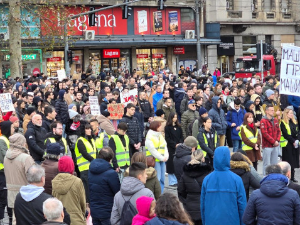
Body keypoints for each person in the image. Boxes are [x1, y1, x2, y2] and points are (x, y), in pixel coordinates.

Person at [201, 146, 247, 225]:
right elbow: (242, 205)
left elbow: (203, 205)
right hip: (232, 221)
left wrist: (205, 221)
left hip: (211, 221)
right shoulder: (236, 179)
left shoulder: (207, 179)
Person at [3, 133, 34, 225]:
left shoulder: (6, 157)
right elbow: (33, 177)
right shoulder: (26, 158)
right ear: (22, 143)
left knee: (15, 219)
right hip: (25, 194)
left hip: (11, 192)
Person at [178, 150, 212, 225]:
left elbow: (180, 191)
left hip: (189, 206)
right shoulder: (208, 174)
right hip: (204, 205)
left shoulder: (185, 174)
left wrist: (186, 202)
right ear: (202, 158)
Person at [89, 147, 121, 225]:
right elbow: (117, 192)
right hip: (107, 212)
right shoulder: (111, 174)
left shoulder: (91, 170)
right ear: (110, 159)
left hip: (94, 211)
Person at [52, 156, 86, 225]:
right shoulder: (77, 181)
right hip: (76, 220)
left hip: (60, 220)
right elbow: (82, 203)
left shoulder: (54, 182)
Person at [74, 123, 96, 203]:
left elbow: (95, 152)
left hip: (92, 167)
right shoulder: (80, 140)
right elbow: (84, 153)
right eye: (87, 129)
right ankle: (87, 206)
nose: (89, 130)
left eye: (90, 128)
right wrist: (94, 160)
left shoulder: (92, 140)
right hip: (84, 168)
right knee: (87, 189)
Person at [145, 121, 169, 192]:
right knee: (157, 178)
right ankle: (156, 194)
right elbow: (152, 150)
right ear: (156, 127)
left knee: (162, 179)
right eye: (160, 126)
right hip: (154, 160)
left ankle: (160, 193)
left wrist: (166, 156)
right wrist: (162, 158)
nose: (161, 127)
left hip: (162, 160)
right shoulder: (149, 136)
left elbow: (164, 146)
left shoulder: (160, 135)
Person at [280, 107, 300, 182]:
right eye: (290, 113)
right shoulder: (283, 122)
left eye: (292, 113)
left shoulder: (294, 122)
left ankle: (292, 176)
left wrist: (297, 140)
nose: (292, 115)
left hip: (295, 144)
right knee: (288, 161)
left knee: (294, 161)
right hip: (287, 144)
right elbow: (285, 134)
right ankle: (287, 176)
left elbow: (298, 132)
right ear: (286, 114)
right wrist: (293, 141)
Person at [260, 104, 281, 175]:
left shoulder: (275, 120)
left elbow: (279, 131)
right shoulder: (263, 121)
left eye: (273, 110)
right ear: (267, 111)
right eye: (271, 110)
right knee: (266, 164)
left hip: (275, 145)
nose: (273, 112)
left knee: (274, 165)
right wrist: (273, 141)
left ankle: (274, 179)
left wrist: (277, 140)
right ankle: (265, 178)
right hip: (267, 146)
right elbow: (264, 133)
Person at [165, 112, 183, 187]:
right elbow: (167, 138)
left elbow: (182, 136)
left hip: (179, 147)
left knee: (178, 163)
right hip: (171, 148)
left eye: (176, 117)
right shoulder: (167, 127)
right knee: (171, 164)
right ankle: (172, 181)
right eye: (174, 117)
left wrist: (180, 143)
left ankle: (177, 180)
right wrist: (174, 144)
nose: (175, 119)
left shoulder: (179, 127)